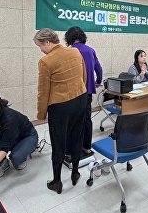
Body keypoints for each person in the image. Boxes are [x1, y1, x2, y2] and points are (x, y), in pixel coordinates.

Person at [34, 28, 87, 194]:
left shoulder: (45, 62)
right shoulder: (75, 52)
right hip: (80, 99)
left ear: (47, 42)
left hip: (60, 106)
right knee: (77, 136)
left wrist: (41, 113)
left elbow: (43, 91)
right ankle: (75, 172)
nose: (41, 50)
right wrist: (80, 91)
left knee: (58, 142)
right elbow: (83, 76)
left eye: (40, 46)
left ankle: (57, 181)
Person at [0, 91, 39, 180]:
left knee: (16, 158)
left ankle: (26, 151)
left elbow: (5, 147)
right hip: (10, 137)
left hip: (26, 136)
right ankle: (2, 163)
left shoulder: (9, 118)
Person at [64, 26, 102, 157]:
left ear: (69, 38)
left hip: (72, 93)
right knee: (86, 120)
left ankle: (69, 152)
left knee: (71, 121)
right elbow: (99, 69)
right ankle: (86, 148)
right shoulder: (90, 50)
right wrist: (97, 82)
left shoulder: (68, 52)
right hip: (87, 92)